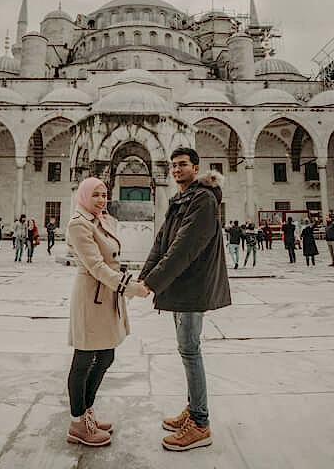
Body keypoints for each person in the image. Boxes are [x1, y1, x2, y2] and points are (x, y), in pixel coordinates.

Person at [139, 149, 231, 452]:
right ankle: (193, 411)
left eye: (182, 165)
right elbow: (161, 241)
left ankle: (200, 423)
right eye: (173, 165)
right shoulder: (181, 198)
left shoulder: (202, 199)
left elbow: (184, 247)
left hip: (193, 285)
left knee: (190, 350)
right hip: (182, 285)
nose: (177, 169)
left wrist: (153, 283)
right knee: (187, 349)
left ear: (196, 166)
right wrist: (144, 276)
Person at [65, 177, 148, 447]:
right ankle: (78, 422)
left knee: (106, 355)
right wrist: (129, 288)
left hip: (107, 295)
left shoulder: (102, 220)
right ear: (84, 196)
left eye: (104, 194)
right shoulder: (79, 224)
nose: (101, 199)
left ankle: (88, 411)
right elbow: (97, 266)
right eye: (96, 195)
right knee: (84, 358)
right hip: (91, 297)